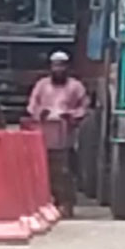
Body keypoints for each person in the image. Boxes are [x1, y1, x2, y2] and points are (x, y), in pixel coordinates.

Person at [26, 50, 88, 216]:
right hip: (44, 137)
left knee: (64, 172)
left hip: (64, 138)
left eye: (62, 66)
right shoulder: (42, 85)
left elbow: (83, 108)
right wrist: (40, 113)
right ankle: (47, 204)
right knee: (44, 172)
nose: (58, 69)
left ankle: (66, 204)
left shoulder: (76, 87)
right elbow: (32, 106)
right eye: (55, 66)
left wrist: (72, 115)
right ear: (51, 67)